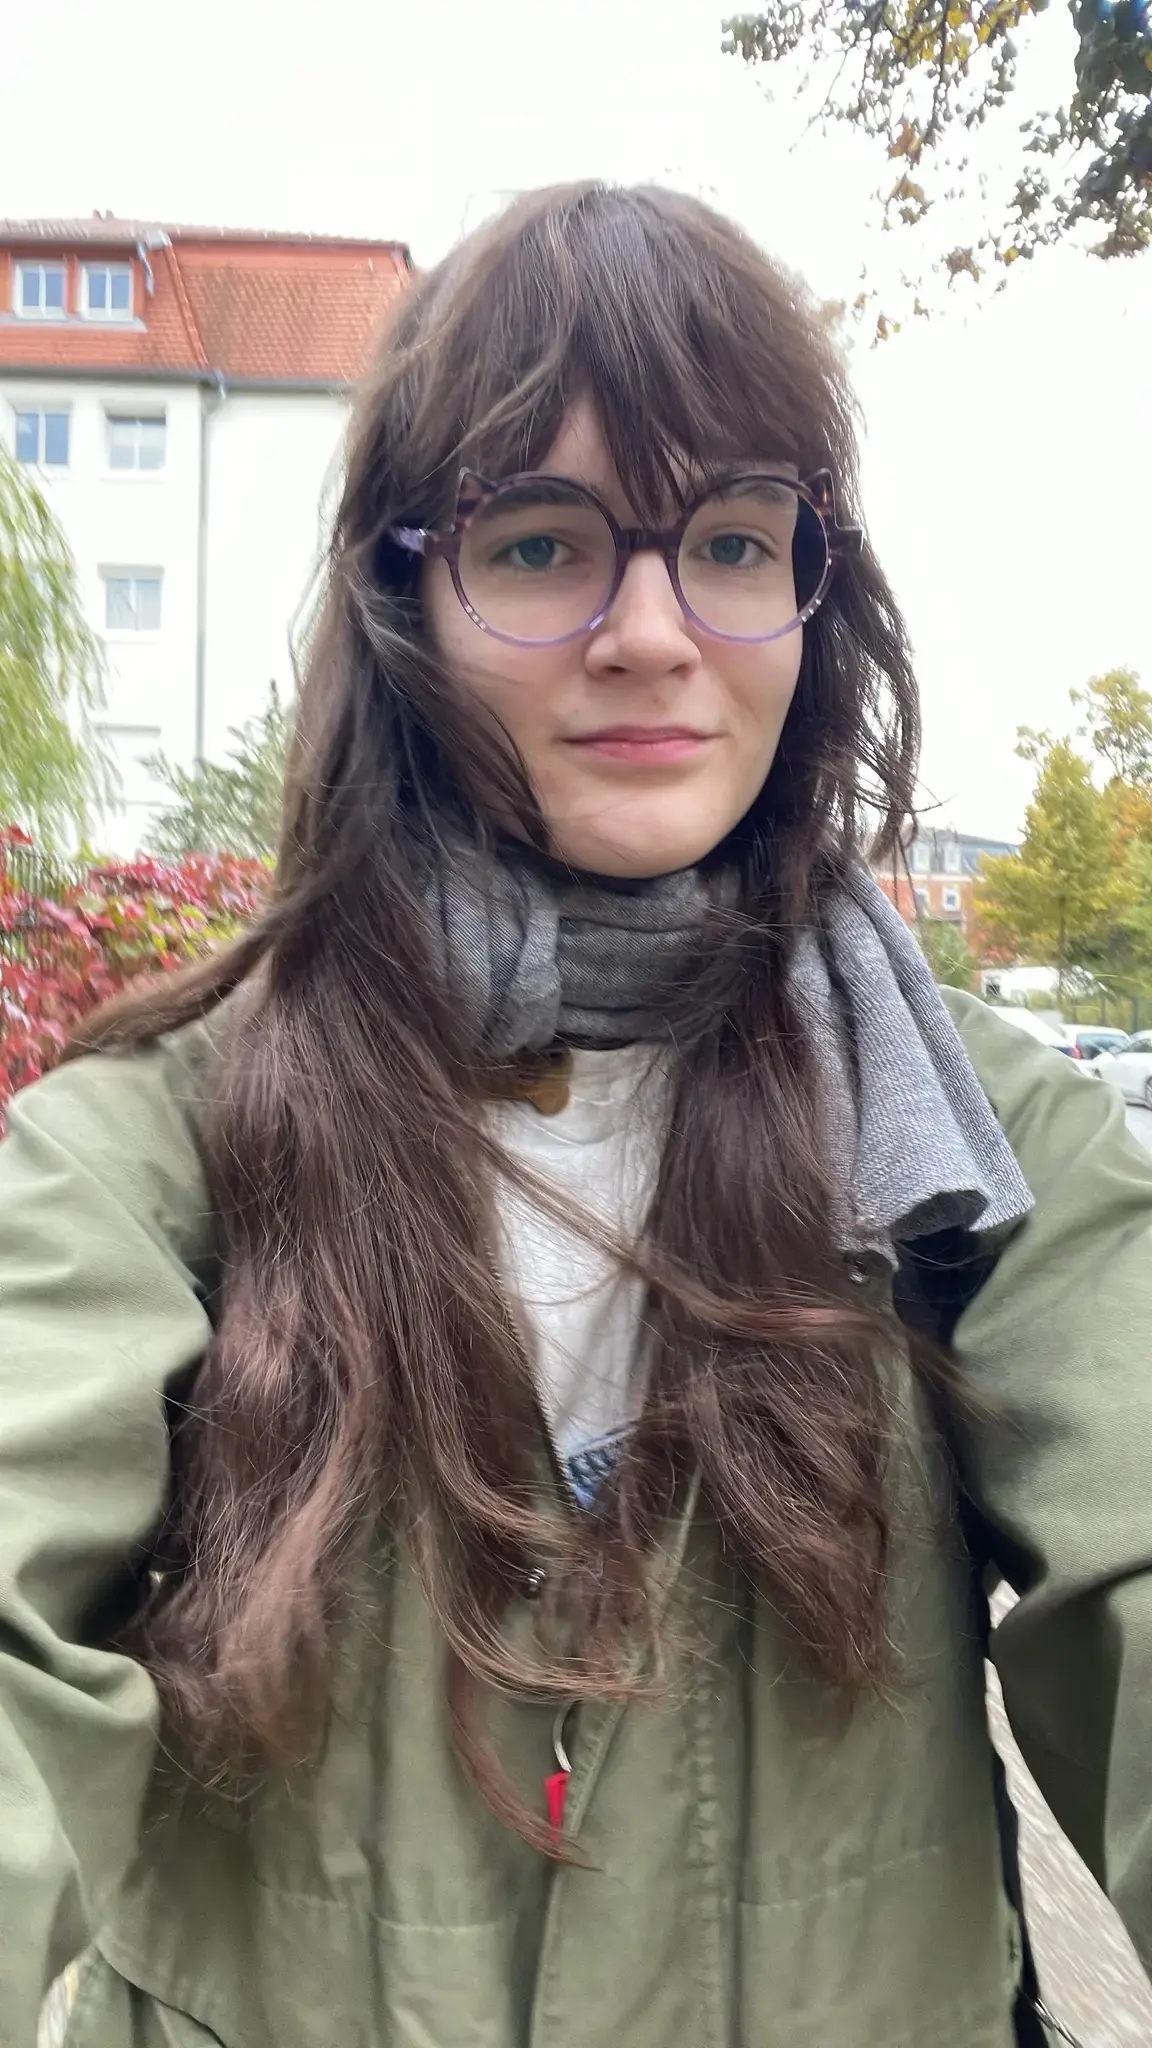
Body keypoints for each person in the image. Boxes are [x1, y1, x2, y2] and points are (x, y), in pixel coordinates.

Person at [1, 182, 1149, 2048]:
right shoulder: (157, 1150)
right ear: (408, 601)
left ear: (809, 589)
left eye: (728, 538)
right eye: (542, 545)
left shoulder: (976, 1145)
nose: (649, 630)